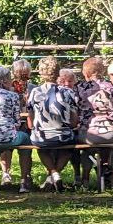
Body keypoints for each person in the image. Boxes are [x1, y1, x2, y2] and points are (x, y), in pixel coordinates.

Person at [77, 57, 113, 190]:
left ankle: (85, 181)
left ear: (86, 73)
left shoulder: (79, 88)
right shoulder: (111, 87)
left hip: (92, 133)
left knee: (85, 147)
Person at [27, 57, 78, 193]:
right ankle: (54, 175)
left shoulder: (34, 92)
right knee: (69, 148)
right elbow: (74, 121)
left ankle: (53, 174)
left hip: (41, 136)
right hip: (63, 136)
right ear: (58, 72)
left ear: (40, 73)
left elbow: (30, 118)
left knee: (40, 147)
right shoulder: (68, 92)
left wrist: (34, 127)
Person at [0, 59, 35, 185]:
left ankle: (26, 175)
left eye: (25, 73)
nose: (22, 76)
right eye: (20, 73)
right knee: (6, 149)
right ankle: (5, 174)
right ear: (14, 72)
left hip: (26, 122)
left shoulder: (32, 87)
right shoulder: (8, 88)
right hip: (10, 122)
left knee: (27, 149)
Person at [57, 68, 82, 186]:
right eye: (64, 81)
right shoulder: (54, 93)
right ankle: (54, 175)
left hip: (74, 129)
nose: (67, 84)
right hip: (59, 129)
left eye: (70, 81)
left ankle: (77, 175)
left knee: (75, 144)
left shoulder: (78, 92)